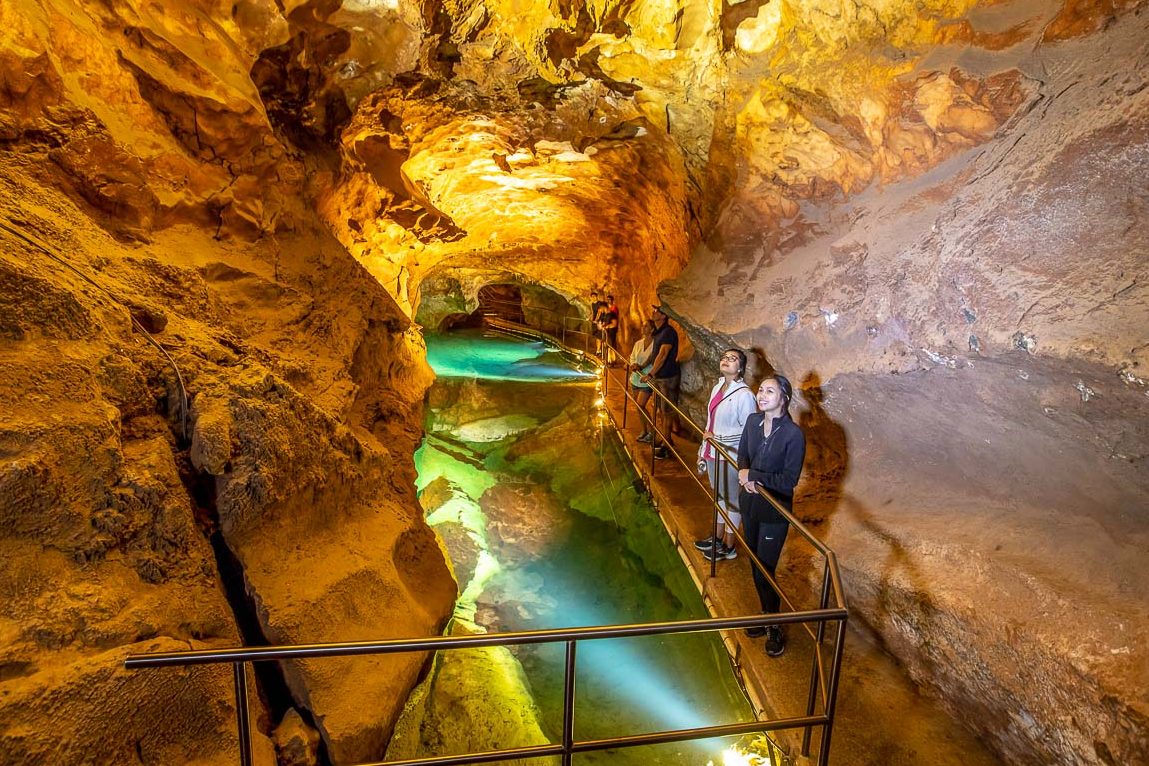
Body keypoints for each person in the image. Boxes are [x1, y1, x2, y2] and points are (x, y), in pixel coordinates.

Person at [737, 374, 805, 657]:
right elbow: (743, 455)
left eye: (770, 391)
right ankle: (766, 616)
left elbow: (789, 480)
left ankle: (773, 626)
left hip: (774, 511)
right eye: (761, 390)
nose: (762, 395)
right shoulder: (753, 422)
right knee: (755, 565)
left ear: (784, 398)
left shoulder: (793, 434)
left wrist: (753, 475)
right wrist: (745, 476)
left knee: (766, 569)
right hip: (750, 505)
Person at [693, 349, 757, 562]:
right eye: (724, 357)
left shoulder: (745, 395)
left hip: (730, 455)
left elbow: (748, 432)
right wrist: (703, 450)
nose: (726, 361)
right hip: (713, 453)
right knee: (719, 498)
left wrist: (717, 438)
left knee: (731, 501)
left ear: (740, 368)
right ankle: (717, 538)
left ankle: (729, 545)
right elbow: (709, 423)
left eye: (733, 359)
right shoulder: (718, 387)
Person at [639, 305, 680, 460]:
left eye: (657, 311)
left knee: (667, 412)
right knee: (660, 410)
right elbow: (654, 354)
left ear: (663, 316)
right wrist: (643, 367)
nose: (654, 312)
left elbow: (663, 355)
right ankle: (665, 439)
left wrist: (650, 373)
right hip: (659, 377)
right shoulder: (658, 332)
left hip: (667, 377)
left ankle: (667, 446)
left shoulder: (668, 332)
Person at [628, 321, 656, 441]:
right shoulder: (638, 343)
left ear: (652, 330)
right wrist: (633, 364)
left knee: (640, 405)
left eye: (646, 326)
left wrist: (642, 368)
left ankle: (652, 431)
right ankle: (645, 430)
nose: (643, 328)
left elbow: (653, 360)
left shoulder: (655, 345)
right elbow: (633, 356)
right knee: (639, 407)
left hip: (646, 379)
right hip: (635, 378)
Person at [599, 296, 620, 364]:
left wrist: (607, 327)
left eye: (600, 308)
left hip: (611, 332)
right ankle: (609, 360)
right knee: (608, 346)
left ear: (603, 307)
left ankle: (612, 361)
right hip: (607, 333)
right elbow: (605, 322)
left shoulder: (612, 314)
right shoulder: (606, 315)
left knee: (611, 346)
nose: (600, 310)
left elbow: (614, 324)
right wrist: (602, 325)